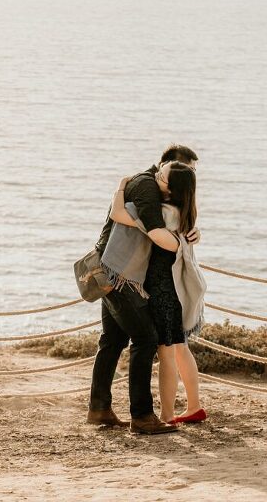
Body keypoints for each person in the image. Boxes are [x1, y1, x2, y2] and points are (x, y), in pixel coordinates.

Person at [87, 144, 200, 434]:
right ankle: (142, 416)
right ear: (167, 168)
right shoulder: (149, 190)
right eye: (180, 170)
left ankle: (99, 408)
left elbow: (124, 214)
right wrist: (181, 241)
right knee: (146, 339)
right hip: (117, 275)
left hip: (107, 268)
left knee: (112, 340)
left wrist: (189, 235)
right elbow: (148, 228)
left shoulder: (145, 187)